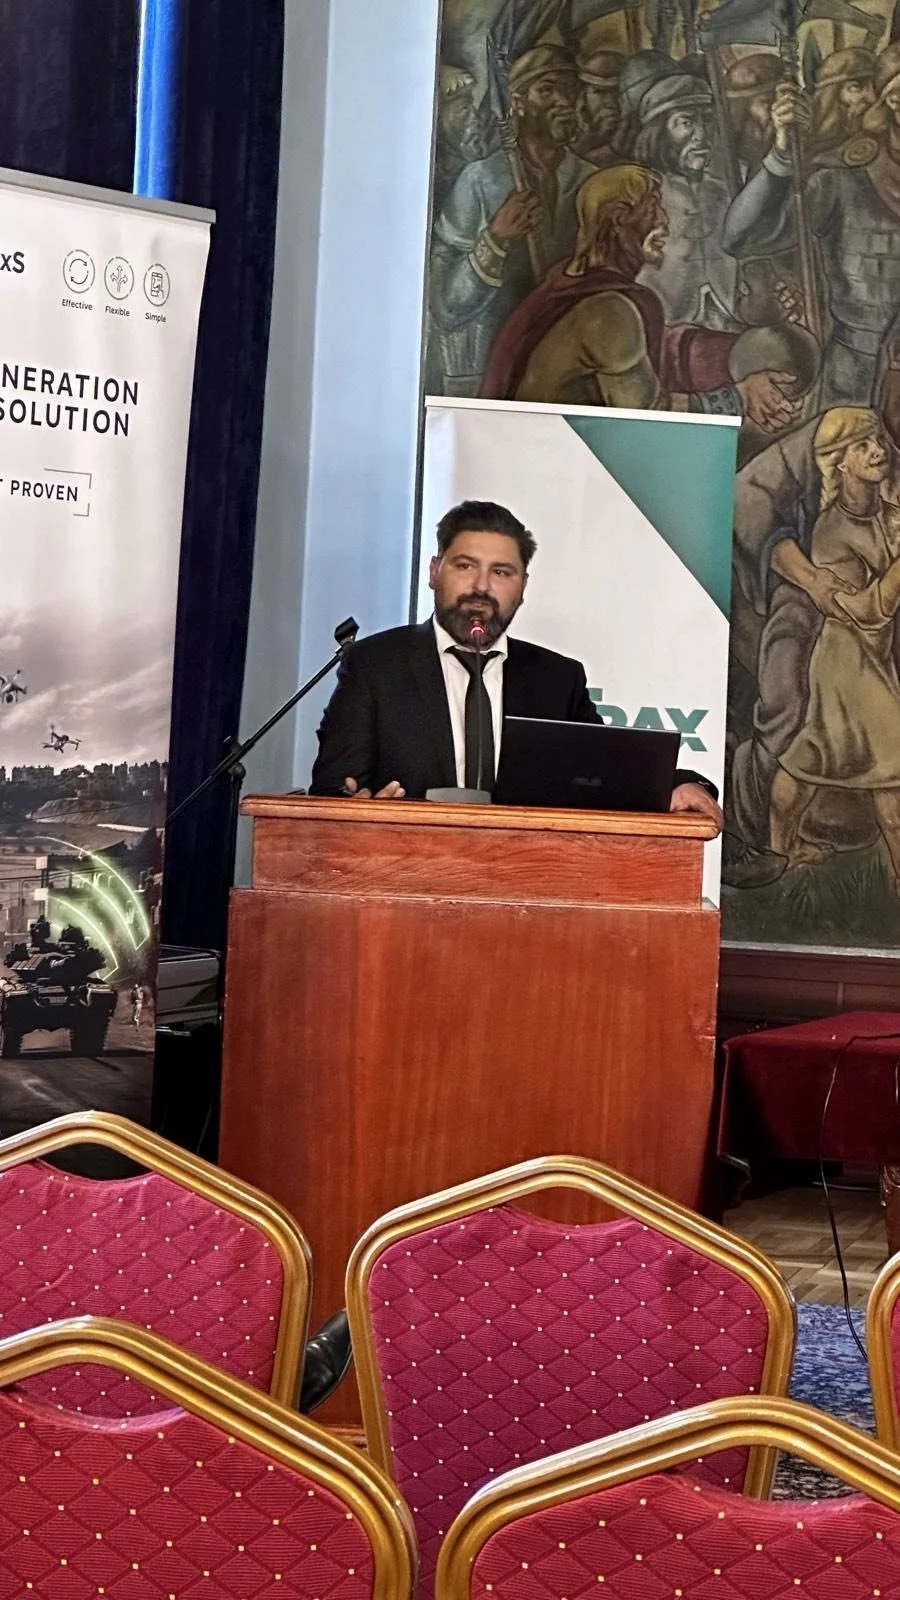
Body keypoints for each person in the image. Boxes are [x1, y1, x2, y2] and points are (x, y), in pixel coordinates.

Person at [310, 500, 724, 826]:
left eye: (502, 572)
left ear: (522, 587)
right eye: (465, 565)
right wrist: (359, 814)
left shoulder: (557, 679)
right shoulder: (375, 665)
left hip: (526, 887)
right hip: (398, 884)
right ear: (435, 572)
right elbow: (332, 788)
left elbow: (605, 776)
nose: (481, 587)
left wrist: (680, 782)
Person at [479, 164, 800, 428]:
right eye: (653, 209)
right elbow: (650, 416)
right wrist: (740, 398)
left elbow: (658, 347)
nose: (665, 221)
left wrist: (736, 351)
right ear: (620, 219)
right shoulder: (607, 312)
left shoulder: (571, 285)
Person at [722, 43, 900, 405]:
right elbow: (741, 238)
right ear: (893, 99)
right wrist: (782, 158)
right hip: (858, 385)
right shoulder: (844, 178)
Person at [770, 409, 900, 885]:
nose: (879, 451)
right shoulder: (831, 531)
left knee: (813, 755)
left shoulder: (889, 517)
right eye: (863, 446)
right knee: (890, 764)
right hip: (845, 662)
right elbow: (866, 612)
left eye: (879, 440)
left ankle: (779, 845)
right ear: (838, 462)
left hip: (875, 660)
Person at [429, 44, 595, 395]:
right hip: (493, 374)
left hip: (569, 373)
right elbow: (445, 305)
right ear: (516, 103)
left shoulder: (590, 181)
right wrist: (496, 238)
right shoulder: (480, 180)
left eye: (569, 89)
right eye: (546, 90)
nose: (563, 101)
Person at [633, 74, 737, 326]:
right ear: (660, 133)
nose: (701, 135)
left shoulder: (721, 192)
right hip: (663, 319)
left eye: (708, 120)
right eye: (687, 122)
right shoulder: (640, 192)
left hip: (724, 317)